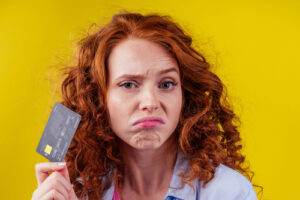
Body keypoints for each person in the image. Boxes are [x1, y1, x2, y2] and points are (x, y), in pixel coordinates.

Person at [32, 12, 259, 200]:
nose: (150, 102)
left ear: (185, 95)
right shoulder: (77, 194)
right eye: (129, 84)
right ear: (98, 98)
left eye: (167, 84)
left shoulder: (230, 192)